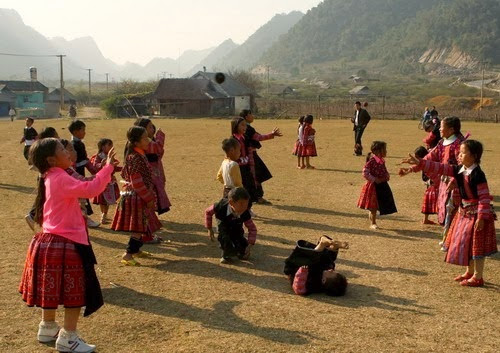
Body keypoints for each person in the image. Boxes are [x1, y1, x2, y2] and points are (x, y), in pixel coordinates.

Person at [18, 138, 117, 353]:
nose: (68, 152)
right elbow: (91, 189)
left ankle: (48, 327)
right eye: (63, 149)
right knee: (76, 293)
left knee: (52, 290)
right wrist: (108, 168)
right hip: (67, 242)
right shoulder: (60, 178)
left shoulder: (50, 176)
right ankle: (68, 338)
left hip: (49, 240)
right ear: (51, 159)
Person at [404, 140, 497, 287]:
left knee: (477, 246)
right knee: (468, 244)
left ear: (473, 156)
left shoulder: (478, 174)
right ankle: (470, 271)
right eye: (459, 152)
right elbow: (440, 167)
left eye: (463, 152)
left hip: (476, 215)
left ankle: (478, 277)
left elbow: (484, 198)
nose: (459, 155)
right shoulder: (459, 170)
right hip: (465, 212)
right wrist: (421, 162)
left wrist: (481, 217)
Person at [400, 117, 468, 247]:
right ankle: (449, 238)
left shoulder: (460, 145)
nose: (439, 129)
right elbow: (429, 158)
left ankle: (452, 240)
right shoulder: (443, 142)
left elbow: (463, 166)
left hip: (456, 185)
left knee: (453, 211)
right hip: (445, 183)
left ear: (451, 129)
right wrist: (411, 169)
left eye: (442, 127)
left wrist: (454, 180)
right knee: (447, 210)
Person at [111, 126, 160, 266]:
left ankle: (137, 251)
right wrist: (148, 198)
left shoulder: (138, 154)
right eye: (145, 138)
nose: (148, 140)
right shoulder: (136, 158)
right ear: (137, 142)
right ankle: (128, 255)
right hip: (137, 197)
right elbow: (137, 182)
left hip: (138, 196)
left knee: (142, 225)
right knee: (138, 229)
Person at [205, 187, 257, 264]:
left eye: (246, 204)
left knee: (241, 242)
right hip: (223, 224)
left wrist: (249, 245)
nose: (244, 207)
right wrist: (209, 228)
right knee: (224, 238)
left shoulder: (245, 212)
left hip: (237, 226)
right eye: (241, 204)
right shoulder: (220, 206)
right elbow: (208, 212)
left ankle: (239, 251)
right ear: (231, 202)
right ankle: (226, 255)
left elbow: (252, 228)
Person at [240, 109, 282, 204]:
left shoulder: (244, 128)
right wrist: (272, 134)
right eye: (251, 114)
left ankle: (254, 196)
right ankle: (257, 197)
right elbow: (258, 137)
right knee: (255, 176)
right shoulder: (247, 128)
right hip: (250, 155)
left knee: (254, 175)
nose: (253, 116)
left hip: (246, 155)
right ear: (246, 117)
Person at [284, 235, 348, 296]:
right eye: (334, 271)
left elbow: (299, 288)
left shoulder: (313, 285)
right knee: (328, 261)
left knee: (311, 261)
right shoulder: (325, 271)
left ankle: (322, 244)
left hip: (295, 267)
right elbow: (328, 263)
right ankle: (333, 247)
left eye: (331, 273)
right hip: (310, 263)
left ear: (324, 280)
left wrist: (302, 272)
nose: (332, 270)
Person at [134, 118, 171, 215]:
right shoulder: (145, 143)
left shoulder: (151, 140)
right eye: (150, 127)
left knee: (157, 190)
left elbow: (159, 153)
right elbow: (158, 148)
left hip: (157, 169)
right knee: (151, 191)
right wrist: (160, 136)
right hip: (149, 172)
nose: (153, 129)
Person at [357, 141, 397, 229]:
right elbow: (365, 172)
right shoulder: (372, 161)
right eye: (384, 149)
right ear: (377, 151)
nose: (386, 151)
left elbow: (384, 169)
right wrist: (375, 179)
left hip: (382, 185)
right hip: (373, 187)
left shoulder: (381, 161)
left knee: (380, 203)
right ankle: (373, 223)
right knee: (373, 207)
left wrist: (387, 175)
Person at [69, 120, 100, 228]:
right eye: (82, 130)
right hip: (76, 173)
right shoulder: (74, 145)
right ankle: (84, 219)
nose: (84, 132)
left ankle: (82, 218)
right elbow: (81, 161)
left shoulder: (77, 143)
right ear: (75, 131)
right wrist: (94, 170)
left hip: (78, 172)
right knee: (81, 196)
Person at [91, 138, 122, 224]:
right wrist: (101, 164)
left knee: (106, 201)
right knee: (102, 200)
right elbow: (95, 166)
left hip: (109, 181)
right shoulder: (99, 156)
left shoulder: (110, 157)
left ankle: (104, 214)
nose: (112, 147)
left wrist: (122, 168)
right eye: (109, 145)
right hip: (102, 181)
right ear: (103, 147)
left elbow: (114, 167)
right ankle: (103, 215)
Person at [231, 117, 257, 203]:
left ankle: (248, 208)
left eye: (245, 125)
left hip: (246, 166)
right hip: (238, 167)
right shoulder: (233, 139)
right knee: (241, 188)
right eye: (242, 125)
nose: (244, 127)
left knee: (250, 187)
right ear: (235, 126)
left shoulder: (244, 137)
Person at [415, 146, 439, 225]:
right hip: (434, 185)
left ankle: (426, 219)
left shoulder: (425, 163)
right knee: (438, 202)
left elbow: (425, 177)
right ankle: (440, 219)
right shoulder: (429, 162)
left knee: (430, 202)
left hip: (432, 185)